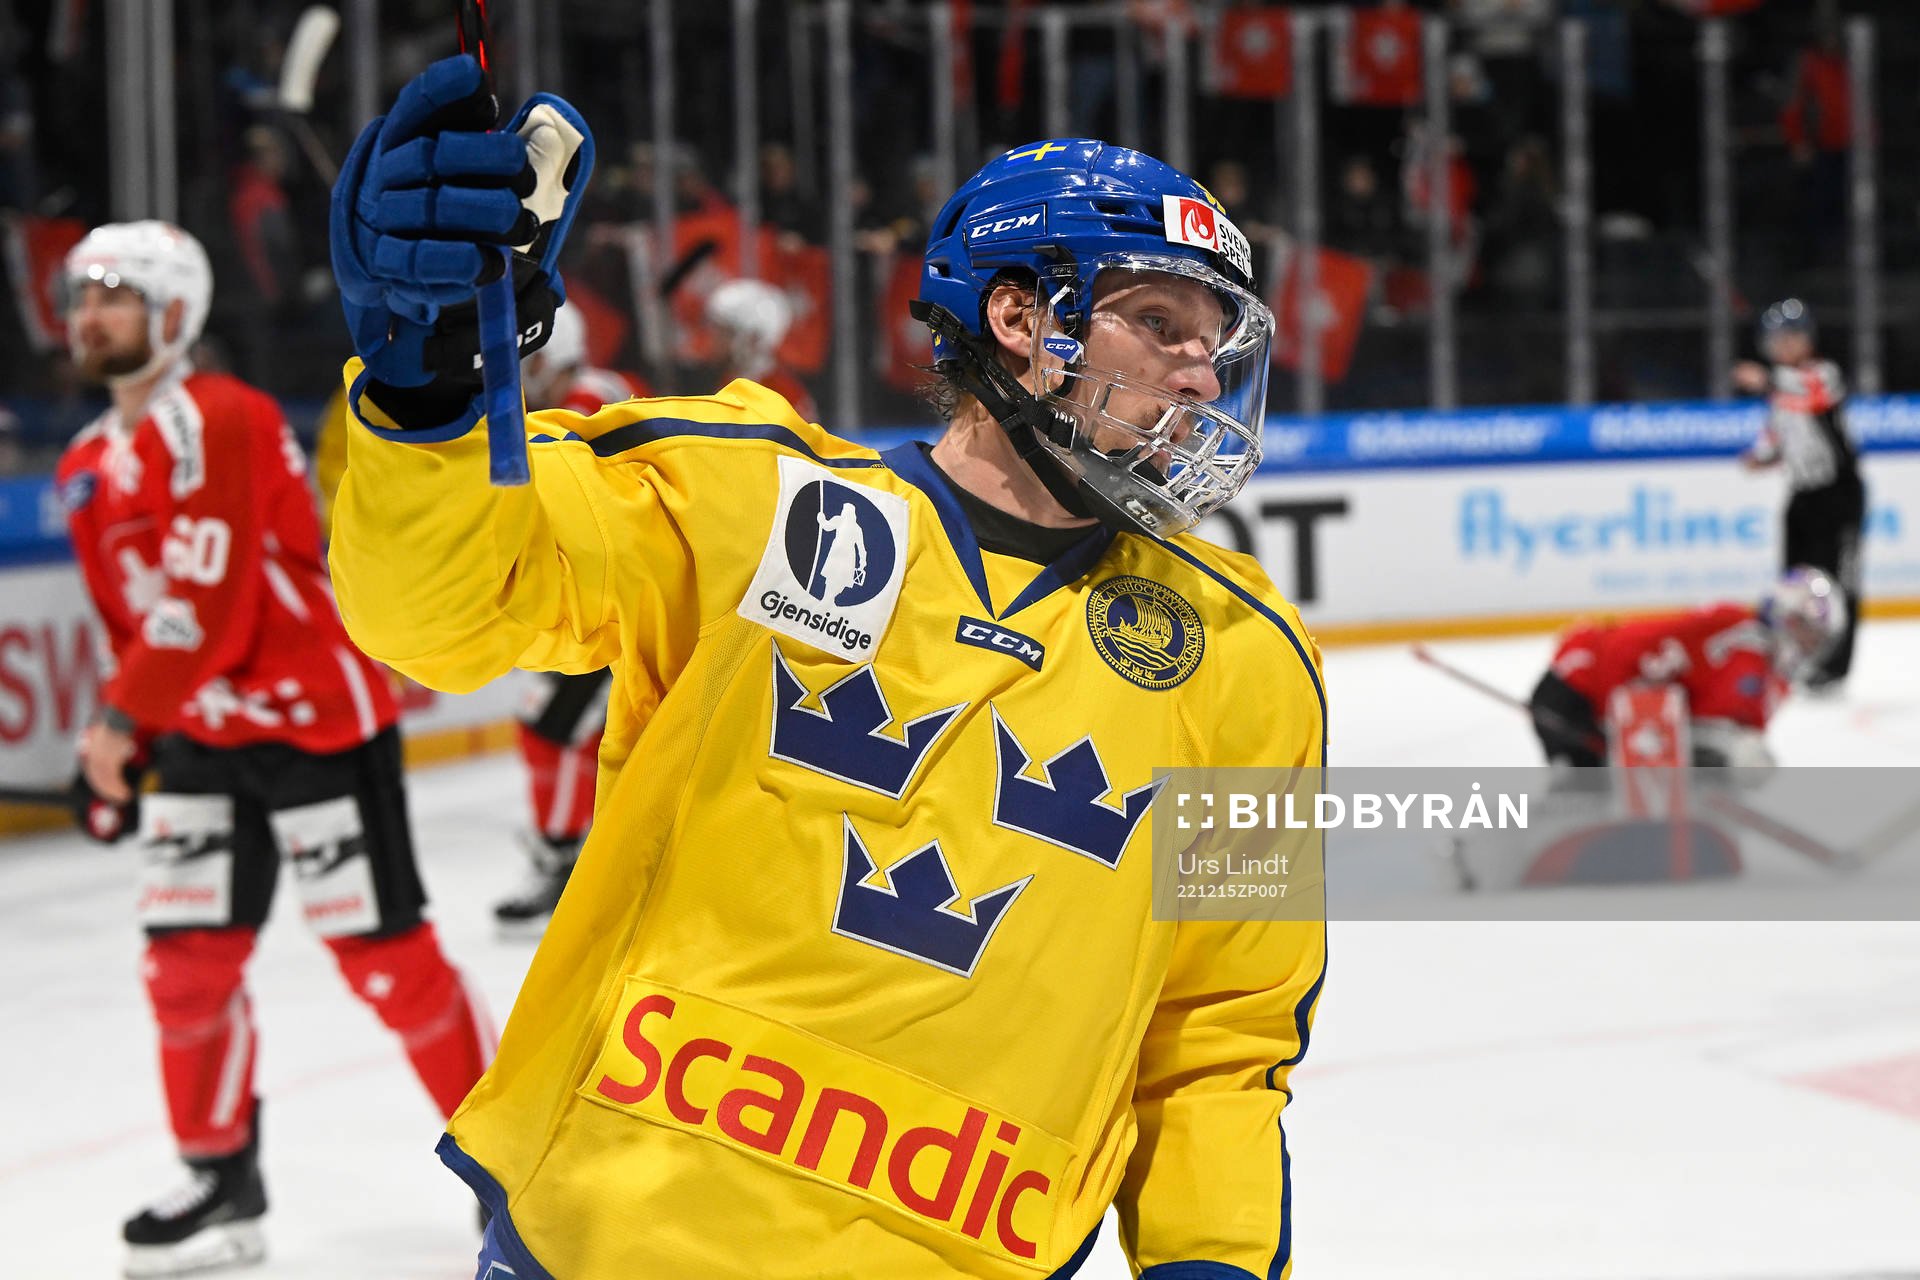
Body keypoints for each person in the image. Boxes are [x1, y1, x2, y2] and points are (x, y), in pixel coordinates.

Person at [328, 56, 1325, 1280]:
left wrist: (1209, 1259)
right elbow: (438, 612)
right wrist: (425, 394)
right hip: (616, 1239)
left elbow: (1224, 1030)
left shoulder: (1248, 659)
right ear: (1021, 319)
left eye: (1215, 344)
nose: (1200, 376)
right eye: (1160, 325)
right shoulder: (753, 495)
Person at [55, 221, 491, 1277]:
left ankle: (509, 1168)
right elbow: (139, 626)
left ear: (174, 313)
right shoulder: (82, 465)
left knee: (388, 965)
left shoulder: (223, 416)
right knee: (184, 966)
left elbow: (209, 603)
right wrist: (131, 731)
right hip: (203, 744)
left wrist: (118, 721)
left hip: (314, 728)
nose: (90, 314)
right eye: (80, 295)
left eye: (116, 293)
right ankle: (220, 1178)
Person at [493, 303, 649, 935]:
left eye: (528, 359)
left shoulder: (590, 396)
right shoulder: (596, 391)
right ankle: (588, 862)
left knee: (549, 728)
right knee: (581, 735)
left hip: (617, 602)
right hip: (614, 598)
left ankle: (564, 861)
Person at [1528, 567, 1846, 770]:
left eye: (1818, 639)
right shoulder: (1745, 647)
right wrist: (1734, 749)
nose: (1811, 647)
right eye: (1808, 634)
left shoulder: (1759, 662)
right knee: (1576, 803)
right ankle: (1501, 850)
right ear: (1784, 617)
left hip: (1605, 700)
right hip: (1578, 690)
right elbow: (1696, 734)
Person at [1733, 298, 1864, 691]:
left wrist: (1767, 381)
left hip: (1837, 496)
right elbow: (1780, 438)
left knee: (1836, 583)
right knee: (1793, 583)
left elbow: (1813, 398)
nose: (1784, 347)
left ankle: (1833, 666)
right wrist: (1761, 459)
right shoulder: (1780, 392)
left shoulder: (1823, 374)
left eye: (1791, 338)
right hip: (1801, 495)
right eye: (1777, 340)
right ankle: (1794, 657)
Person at [705, 276, 818, 422]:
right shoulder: (729, 382)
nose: (714, 341)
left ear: (753, 338)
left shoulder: (783, 395)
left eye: (725, 333)